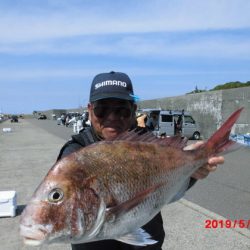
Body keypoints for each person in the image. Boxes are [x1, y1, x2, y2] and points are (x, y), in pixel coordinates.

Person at [57, 71, 224, 250]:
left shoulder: (149, 144)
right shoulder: (75, 152)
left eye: (121, 110)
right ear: (89, 110)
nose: (112, 117)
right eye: (102, 109)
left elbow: (167, 192)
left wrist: (192, 172)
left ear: (133, 110)